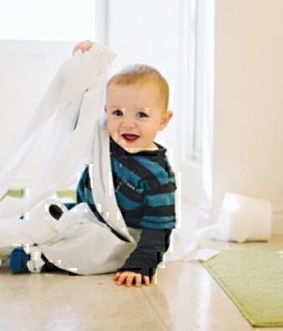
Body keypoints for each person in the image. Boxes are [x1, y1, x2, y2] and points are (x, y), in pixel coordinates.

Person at [10, 41, 176, 288]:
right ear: (106, 111)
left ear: (163, 120)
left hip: (120, 233)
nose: (128, 124)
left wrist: (141, 263)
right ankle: (31, 230)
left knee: (91, 248)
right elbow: (78, 117)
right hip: (87, 210)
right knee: (47, 210)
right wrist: (84, 68)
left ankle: (44, 259)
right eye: (117, 113)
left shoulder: (157, 177)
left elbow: (159, 229)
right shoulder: (105, 139)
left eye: (141, 115)